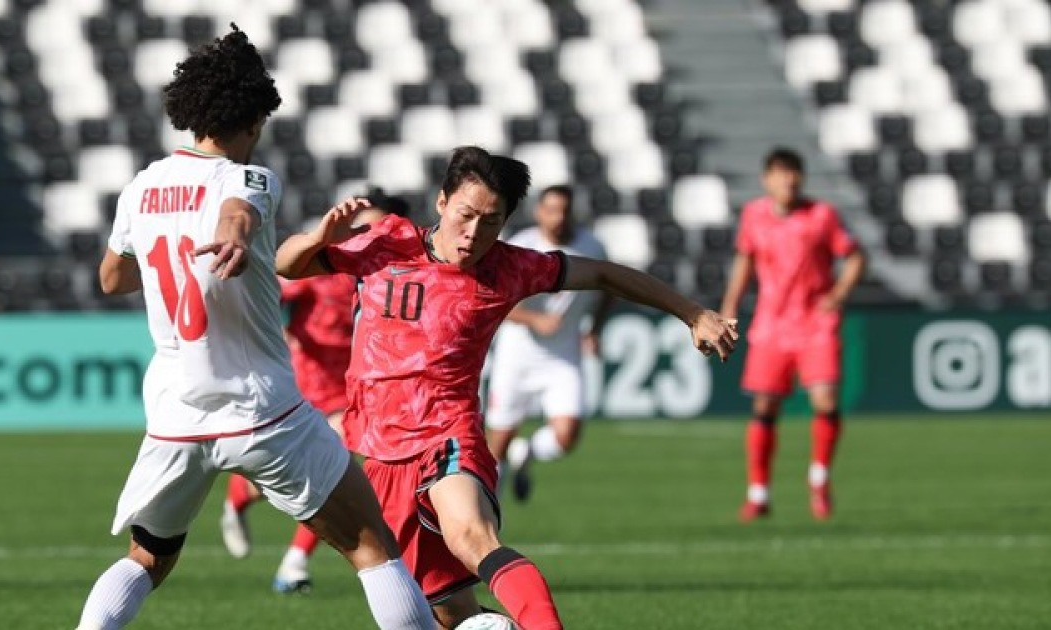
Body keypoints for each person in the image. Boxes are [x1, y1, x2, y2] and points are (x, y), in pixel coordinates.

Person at [274, 146, 739, 630]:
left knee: (472, 537)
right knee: (451, 615)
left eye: (491, 221)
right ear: (441, 203)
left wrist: (693, 312)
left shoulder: (510, 268)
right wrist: (316, 238)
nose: (474, 233)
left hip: (446, 437)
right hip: (381, 452)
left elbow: (602, 273)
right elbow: (288, 265)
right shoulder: (385, 241)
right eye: (466, 214)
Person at [77, 28, 436, 630]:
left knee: (146, 559)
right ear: (253, 120)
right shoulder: (250, 178)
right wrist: (235, 237)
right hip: (260, 408)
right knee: (372, 547)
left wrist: (184, 246)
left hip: (176, 418)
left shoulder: (141, 187)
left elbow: (113, 278)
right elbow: (237, 211)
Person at [219, 189, 412, 596]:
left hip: (352, 388)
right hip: (304, 386)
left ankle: (294, 564)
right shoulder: (325, 267)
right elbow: (267, 294)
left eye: (377, 227)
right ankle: (239, 497)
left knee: (336, 468)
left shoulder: (393, 274)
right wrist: (282, 333)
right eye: (363, 226)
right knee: (289, 475)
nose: (367, 234)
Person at [719, 147, 867, 523]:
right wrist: (729, 307)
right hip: (772, 324)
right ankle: (759, 492)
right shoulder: (754, 215)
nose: (789, 180)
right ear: (767, 179)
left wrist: (838, 295)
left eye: (794, 173)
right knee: (765, 407)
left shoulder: (821, 216)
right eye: (781, 173)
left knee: (825, 398)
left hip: (815, 323)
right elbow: (744, 263)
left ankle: (819, 478)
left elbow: (855, 256)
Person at [485, 185, 612, 502]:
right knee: (495, 447)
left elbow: (610, 288)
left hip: (562, 354)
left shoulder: (591, 247)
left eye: (565, 210)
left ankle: (527, 452)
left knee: (567, 436)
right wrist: (532, 319)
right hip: (517, 355)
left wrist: (595, 329)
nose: (559, 217)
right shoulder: (520, 247)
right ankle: (489, 522)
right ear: (539, 213)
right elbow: (495, 300)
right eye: (552, 210)